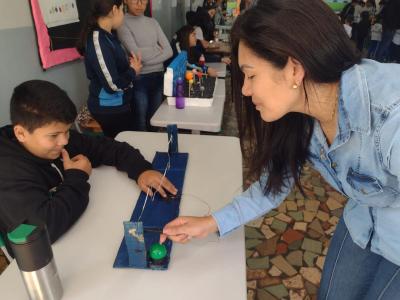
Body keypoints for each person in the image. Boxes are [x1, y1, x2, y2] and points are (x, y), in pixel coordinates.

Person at [161, 0, 400, 299]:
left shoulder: (389, 115)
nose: (245, 91)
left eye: (251, 75)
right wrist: (212, 223)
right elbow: (274, 184)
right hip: (362, 219)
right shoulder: (302, 115)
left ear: (294, 70)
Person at [0, 80, 177, 252]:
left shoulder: (59, 138)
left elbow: (109, 148)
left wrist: (141, 170)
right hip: (46, 257)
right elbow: (44, 230)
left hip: (79, 227)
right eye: (54, 135)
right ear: (21, 133)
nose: (64, 141)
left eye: (67, 131)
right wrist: (77, 177)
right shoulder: (8, 170)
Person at [77, 0, 142, 138]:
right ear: (114, 9)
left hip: (120, 103)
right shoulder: (98, 40)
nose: (123, 15)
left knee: (128, 143)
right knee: (119, 148)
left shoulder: (109, 36)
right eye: (122, 9)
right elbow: (112, 85)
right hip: (109, 107)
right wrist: (133, 71)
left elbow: (113, 68)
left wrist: (129, 67)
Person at [117, 0, 173, 131]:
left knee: (155, 120)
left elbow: (169, 51)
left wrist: (146, 52)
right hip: (139, 78)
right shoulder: (122, 23)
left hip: (159, 76)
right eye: (135, 0)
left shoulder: (152, 22)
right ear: (126, 1)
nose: (139, 4)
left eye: (143, 0)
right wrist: (157, 49)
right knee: (140, 121)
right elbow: (139, 57)